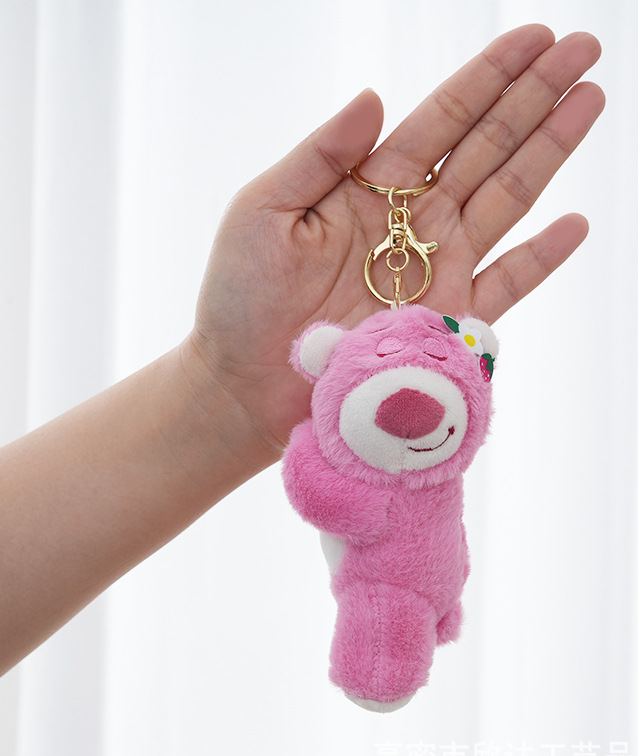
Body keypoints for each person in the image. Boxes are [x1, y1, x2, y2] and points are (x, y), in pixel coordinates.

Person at [0, 25, 604, 675]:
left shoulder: (430, 445)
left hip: (439, 567)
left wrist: (218, 393)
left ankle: (432, 619)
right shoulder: (342, 427)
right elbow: (320, 490)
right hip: (387, 581)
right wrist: (222, 387)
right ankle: (382, 660)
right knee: (384, 612)